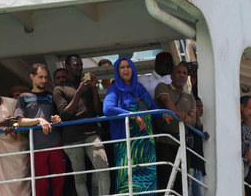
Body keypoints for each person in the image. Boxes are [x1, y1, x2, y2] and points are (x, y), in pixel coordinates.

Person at [104, 57, 173, 193]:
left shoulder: (140, 89)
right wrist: (132, 115)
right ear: (117, 71)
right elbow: (107, 109)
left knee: (148, 180)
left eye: (128, 66)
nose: (126, 70)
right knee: (128, 181)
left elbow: (152, 108)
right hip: (127, 144)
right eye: (122, 67)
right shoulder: (114, 90)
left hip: (146, 144)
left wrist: (163, 114)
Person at [53, 54, 110, 195]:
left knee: (103, 169)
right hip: (72, 138)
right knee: (80, 178)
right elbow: (65, 115)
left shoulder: (88, 86)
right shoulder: (59, 89)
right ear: (67, 67)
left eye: (80, 65)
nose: (79, 68)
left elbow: (98, 111)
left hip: (91, 133)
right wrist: (78, 92)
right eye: (75, 65)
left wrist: (95, 88)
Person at [14, 64, 65, 196]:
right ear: (32, 77)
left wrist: (56, 119)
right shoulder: (23, 97)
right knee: (40, 186)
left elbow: (57, 115)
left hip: (55, 144)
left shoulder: (51, 95)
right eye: (40, 77)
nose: (43, 80)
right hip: (36, 147)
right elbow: (19, 121)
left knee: (59, 183)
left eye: (46, 77)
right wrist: (38, 120)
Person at [154, 62, 197, 193]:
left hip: (182, 144)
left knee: (181, 182)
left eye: (184, 73)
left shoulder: (190, 98)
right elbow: (166, 100)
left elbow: (193, 119)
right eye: (178, 72)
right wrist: (177, 114)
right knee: (165, 181)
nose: (182, 75)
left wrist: (189, 119)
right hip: (164, 142)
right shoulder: (162, 86)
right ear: (171, 75)